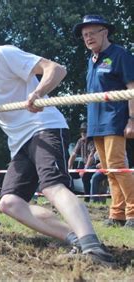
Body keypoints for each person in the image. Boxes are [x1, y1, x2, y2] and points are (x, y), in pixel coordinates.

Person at [0, 36, 113, 264]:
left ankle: (94, 249)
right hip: (19, 143)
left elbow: (56, 69)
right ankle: (75, 238)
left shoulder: (0, 56)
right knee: (9, 203)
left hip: (45, 128)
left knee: (52, 187)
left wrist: (38, 92)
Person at [73, 15, 134, 228]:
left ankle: (133, 211)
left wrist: (132, 120)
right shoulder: (91, 61)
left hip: (115, 120)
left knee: (118, 166)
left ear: (105, 32)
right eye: (84, 35)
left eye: (92, 33)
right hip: (95, 123)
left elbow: (132, 89)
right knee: (107, 169)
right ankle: (117, 213)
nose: (88, 38)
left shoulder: (120, 55)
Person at [67, 122, 96, 202]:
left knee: (85, 176)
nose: (83, 133)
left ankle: (87, 199)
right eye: (82, 131)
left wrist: (84, 170)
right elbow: (73, 154)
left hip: (93, 164)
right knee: (68, 174)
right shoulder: (80, 141)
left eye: (85, 131)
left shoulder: (92, 141)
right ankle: (71, 196)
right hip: (84, 164)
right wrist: (69, 167)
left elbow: (91, 156)